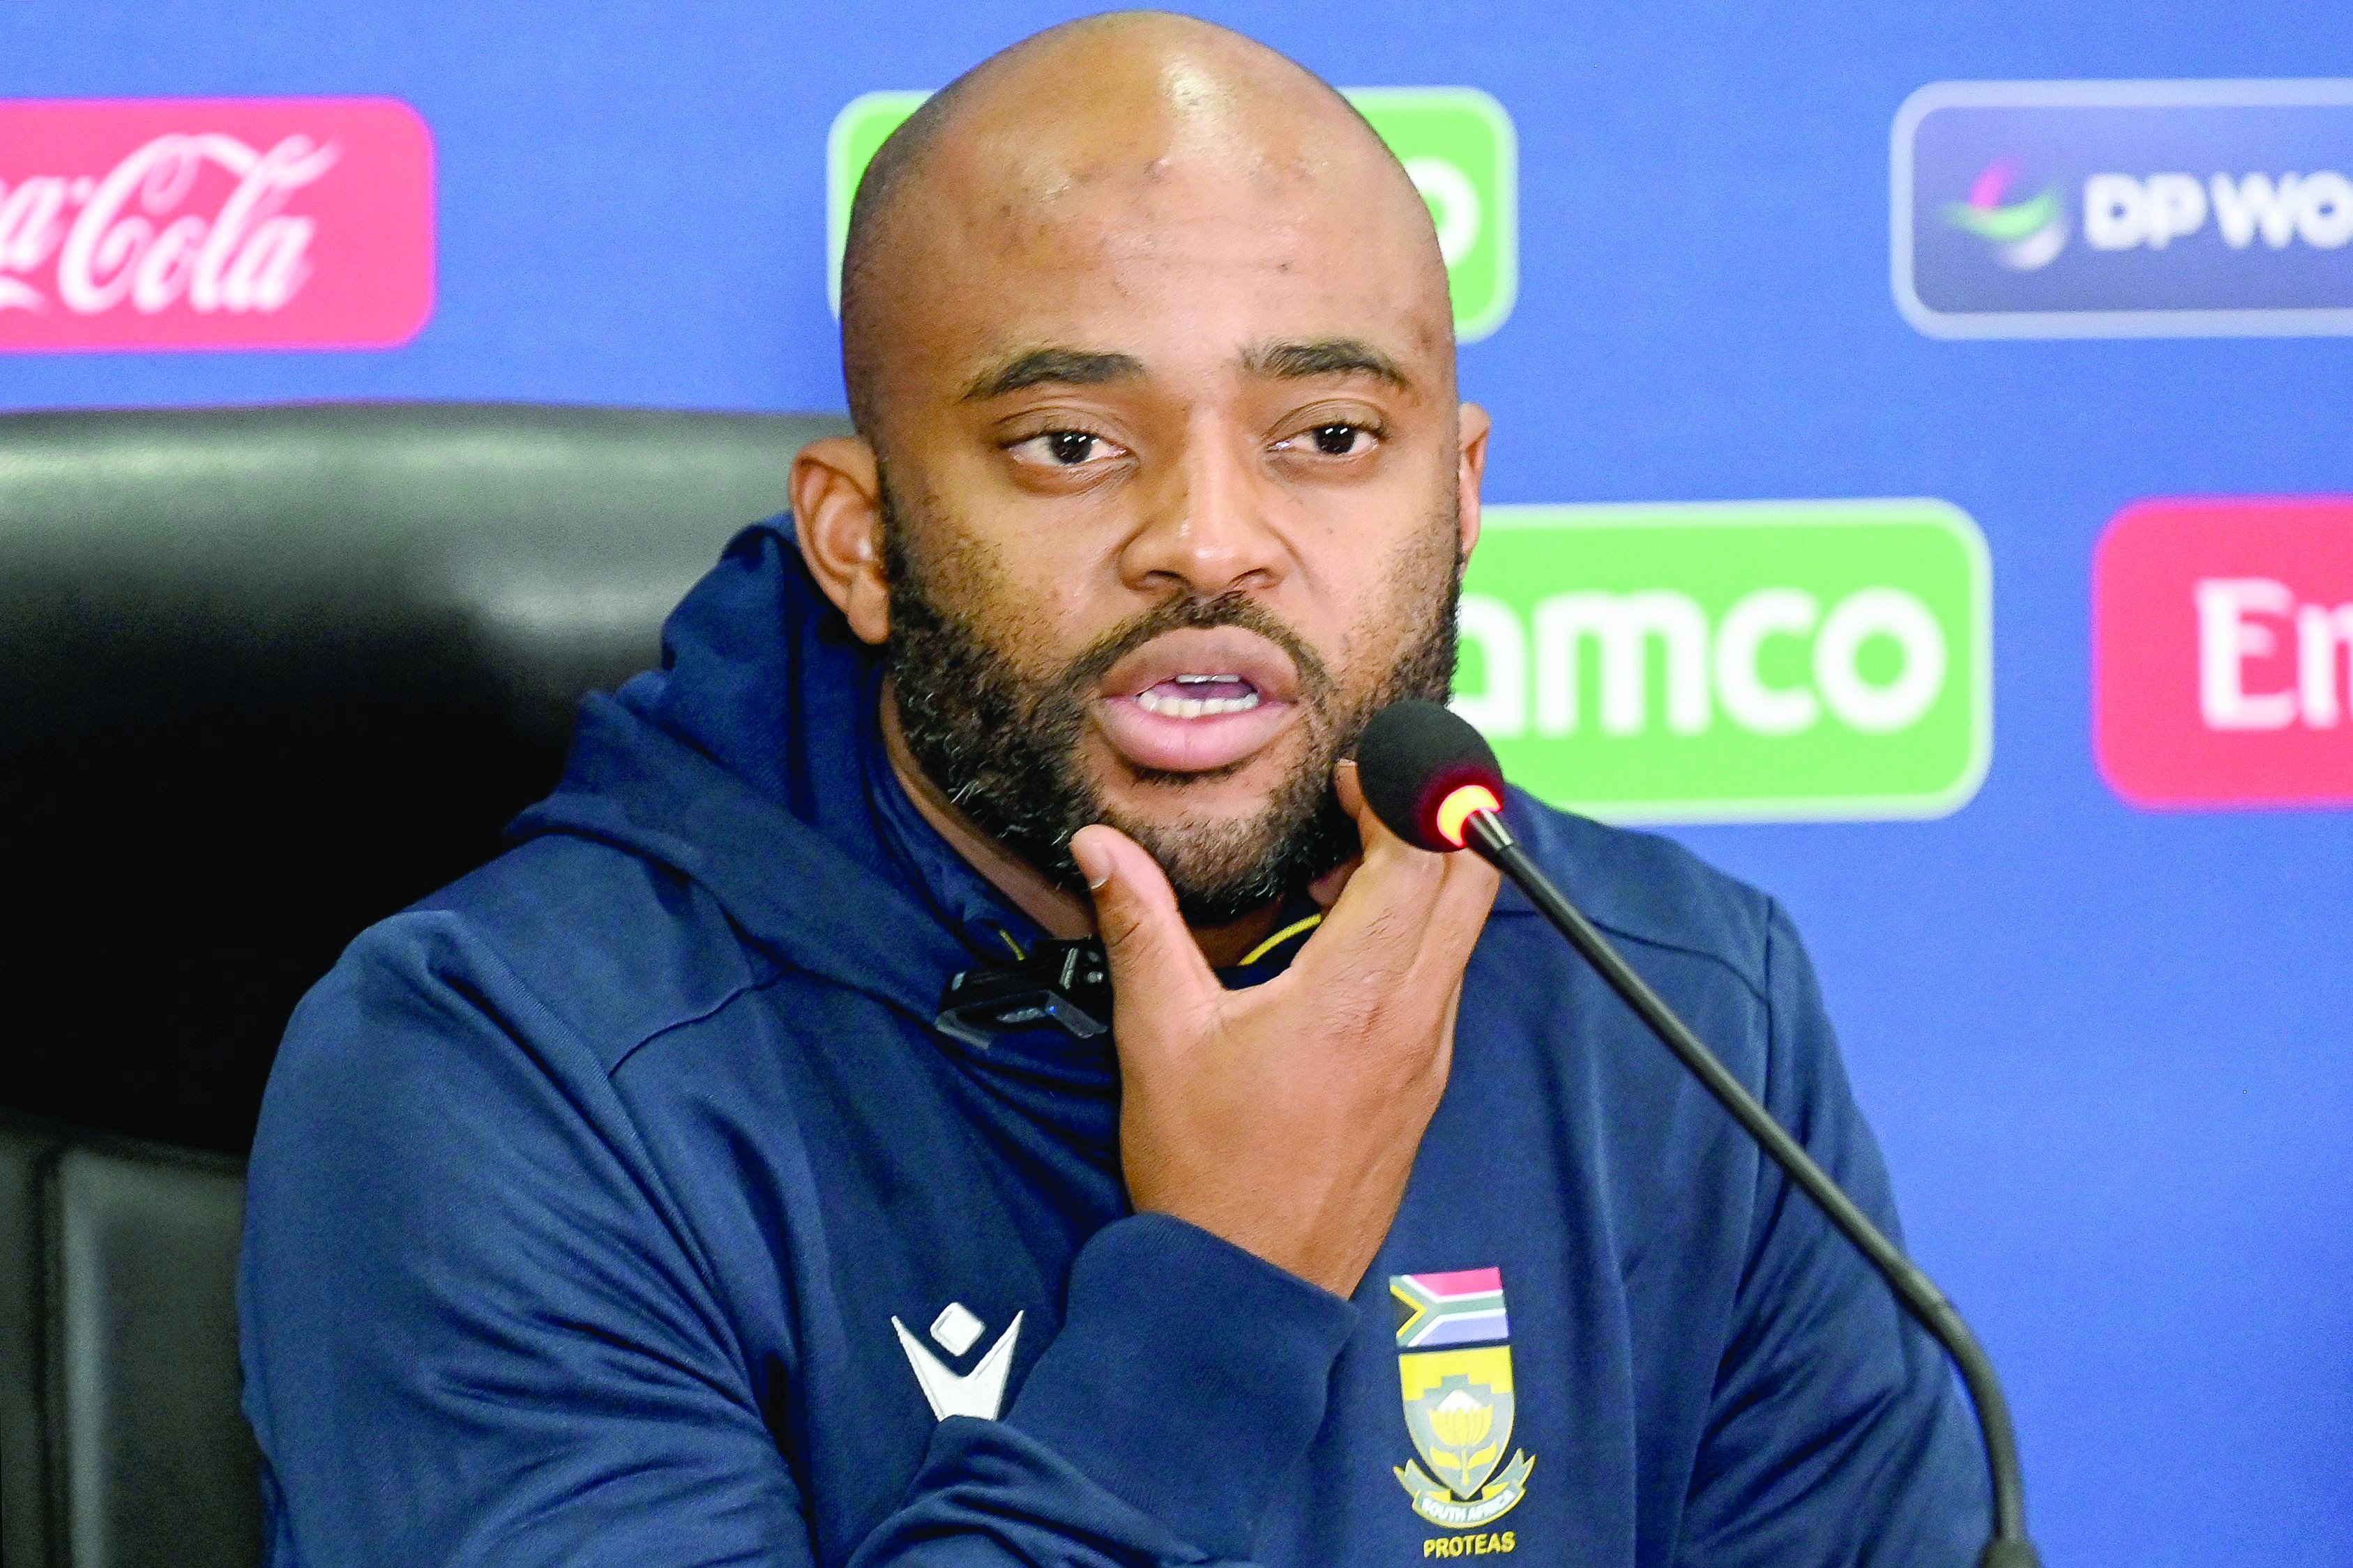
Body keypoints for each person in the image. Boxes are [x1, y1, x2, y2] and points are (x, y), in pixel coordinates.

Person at [239, 12, 1988, 1565]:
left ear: (1459, 497)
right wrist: (1220, 1299)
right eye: (1071, 446)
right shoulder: (504, 1076)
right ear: (861, 544)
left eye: (1327, 439)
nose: (1211, 544)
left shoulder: (1678, 1014)